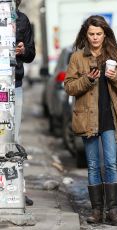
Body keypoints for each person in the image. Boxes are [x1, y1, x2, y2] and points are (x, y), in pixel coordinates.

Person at [64, 15, 117, 226]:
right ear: (86, 34)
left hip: (110, 117)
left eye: (99, 34)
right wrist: (88, 79)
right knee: (93, 165)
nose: (95, 38)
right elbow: (68, 86)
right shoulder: (77, 57)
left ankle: (112, 210)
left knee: (111, 164)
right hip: (87, 119)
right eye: (92, 34)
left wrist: (114, 77)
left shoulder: (114, 54)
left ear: (105, 34)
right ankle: (96, 211)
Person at [15, 0, 36, 206]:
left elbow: (31, 53)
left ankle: (17, 188)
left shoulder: (22, 20)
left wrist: (23, 51)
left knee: (15, 137)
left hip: (15, 84)